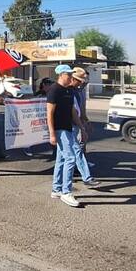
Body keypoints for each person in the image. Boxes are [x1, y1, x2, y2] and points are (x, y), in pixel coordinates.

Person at [46, 65, 92, 205]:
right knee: (71, 158)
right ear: (61, 75)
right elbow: (49, 113)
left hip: (68, 128)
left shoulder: (69, 90)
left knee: (61, 159)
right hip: (60, 129)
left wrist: (82, 128)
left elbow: (73, 111)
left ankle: (56, 189)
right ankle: (66, 192)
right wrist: (52, 133)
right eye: (68, 75)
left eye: (72, 75)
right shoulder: (54, 90)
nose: (71, 77)